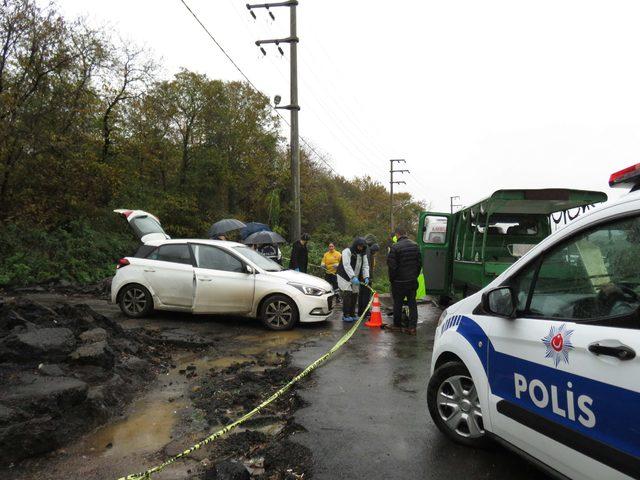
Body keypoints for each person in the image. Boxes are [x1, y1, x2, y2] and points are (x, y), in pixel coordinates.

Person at [387, 226, 422, 335]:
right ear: (405, 233)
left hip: (399, 282)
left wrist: (392, 280)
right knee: (412, 304)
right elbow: (419, 264)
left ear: (397, 234)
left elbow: (392, 267)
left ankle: (397, 326)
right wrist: (414, 276)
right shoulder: (416, 246)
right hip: (412, 281)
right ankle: (412, 328)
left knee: (398, 304)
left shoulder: (395, 247)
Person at [336, 237, 369, 322]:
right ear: (356, 245)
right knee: (348, 293)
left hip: (355, 276)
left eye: (362, 247)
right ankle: (345, 315)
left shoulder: (362, 253)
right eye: (359, 246)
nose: (360, 248)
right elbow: (346, 265)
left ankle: (352, 313)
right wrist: (352, 276)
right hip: (344, 275)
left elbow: (365, 266)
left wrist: (366, 277)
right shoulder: (347, 251)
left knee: (355, 294)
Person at [358, 235, 380, 317]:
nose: (375, 253)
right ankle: (364, 312)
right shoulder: (368, 251)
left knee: (362, 294)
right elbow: (367, 266)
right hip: (366, 276)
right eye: (375, 252)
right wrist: (368, 277)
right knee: (366, 295)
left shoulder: (365, 248)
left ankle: (361, 312)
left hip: (362, 276)